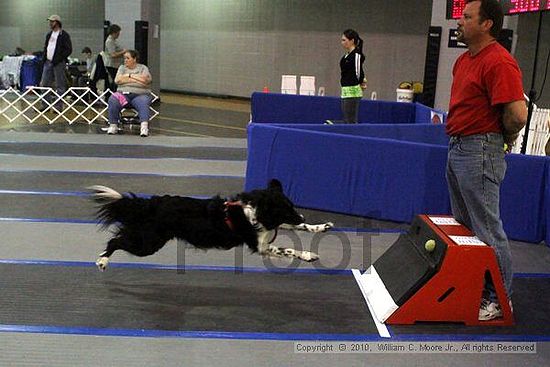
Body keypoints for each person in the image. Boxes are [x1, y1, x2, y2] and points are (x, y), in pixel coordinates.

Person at [446, 0, 527, 321]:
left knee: (488, 230)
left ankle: (500, 300)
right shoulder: (464, 60)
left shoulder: (499, 62)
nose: (460, 22)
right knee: (466, 228)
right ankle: (476, 290)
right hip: (458, 148)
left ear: (487, 24)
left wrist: (501, 141)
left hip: (480, 150)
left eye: (467, 17)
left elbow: (518, 114)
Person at [106, 50, 152, 137]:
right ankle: (113, 125)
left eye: (128, 58)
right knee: (113, 98)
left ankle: (144, 127)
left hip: (139, 94)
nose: (125, 60)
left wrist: (128, 76)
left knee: (144, 101)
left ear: (134, 59)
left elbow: (145, 81)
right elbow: (117, 80)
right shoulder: (122, 68)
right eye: (124, 58)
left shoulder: (143, 68)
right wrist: (136, 79)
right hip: (123, 94)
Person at [326, 29, 367, 124]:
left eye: (344, 40)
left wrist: (361, 82)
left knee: (350, 120)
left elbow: (358, 72)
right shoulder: (346, 56)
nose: (342, 43)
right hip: (345, 90)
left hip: (353, 90)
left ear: (352, 41)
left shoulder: (356, 55)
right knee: (347, 119)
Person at [40, 14, 72, 111]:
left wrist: (59, 58)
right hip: (48, 62)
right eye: (50, 21)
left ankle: (58, 107)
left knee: (60, 85)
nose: (50, 23)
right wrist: (44, 58)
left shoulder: (64, 35)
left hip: (58, 63)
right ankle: (45, 105)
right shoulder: (49, 35)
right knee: (44, 84)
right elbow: (46, 47)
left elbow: (68, 49)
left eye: (52, 21)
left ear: (57, 23)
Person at [104, 24, 126, 92]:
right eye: (118, 33)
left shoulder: (114, 40)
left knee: (117, 80)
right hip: (112, 65)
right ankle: (113, 95)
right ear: (114, 32)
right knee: (116, 81)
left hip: (116, 64)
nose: (119, 34)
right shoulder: (109, 41)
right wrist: (123, 52)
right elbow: (112, 55)